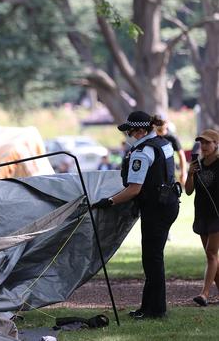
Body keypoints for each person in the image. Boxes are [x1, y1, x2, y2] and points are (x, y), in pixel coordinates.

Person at [92, 111, 180, 319]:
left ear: (140, 130)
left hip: (156, 209)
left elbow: (134, 189)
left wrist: (110, 201)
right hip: (169, 203)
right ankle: (147, 307)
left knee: (152, 260)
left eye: (129, 131)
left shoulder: (142, 153)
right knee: (152, 258)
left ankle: (156, 310)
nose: (127, 136)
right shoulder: (163, 142)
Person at [184, 129, 219, 307]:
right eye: (201, 143)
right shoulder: (196, 164)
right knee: (210, 255)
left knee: (212, 254)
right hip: (201, 215)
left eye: (207, 142)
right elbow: (188, 191)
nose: (203, 146)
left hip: (217, 216)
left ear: (216, 144)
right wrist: (190, 174)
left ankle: (204, 294)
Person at [155, 117, 187, 185]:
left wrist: (183, 173)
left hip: (169, 170)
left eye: (161, 123)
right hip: (156, 170)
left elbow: (181, 155)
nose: (160, 126)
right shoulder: (153, 137)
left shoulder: (172, 138)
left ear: (166, 124)